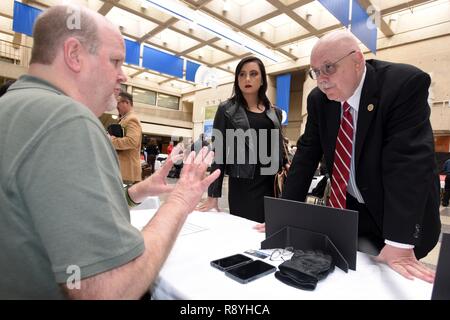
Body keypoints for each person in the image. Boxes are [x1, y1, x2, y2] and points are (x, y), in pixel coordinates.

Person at [0, 4, 219, 299]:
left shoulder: (13, 106)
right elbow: (107, 290)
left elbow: (47, 210)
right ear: (74, 54)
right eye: (115, 61)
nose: (123, 75)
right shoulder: (68, 119)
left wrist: (133, 192)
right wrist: (181, 198)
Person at [282, 30, 441, 283]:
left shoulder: (403, 84)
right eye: (315, 72)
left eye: (329, 68)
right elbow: (306, 155)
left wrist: (399, 242)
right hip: (353, 213)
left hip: (399, 213)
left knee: (395, 281)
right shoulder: (319, 101)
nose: (321, 80)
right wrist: (285, 215)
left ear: (357, 61)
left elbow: (408, 163)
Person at [197, 56, 287, 223]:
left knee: (270, 233)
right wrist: (212, 196)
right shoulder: (227, 110)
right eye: (242, 74)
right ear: (237, 79)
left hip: (272, 184)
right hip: (243, 186)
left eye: (253, 74)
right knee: (246, 232)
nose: (247, 79)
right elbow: (220, 152)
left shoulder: (275, 113)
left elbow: (278, 148)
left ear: (262, 80)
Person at [110, 91, 142, 184]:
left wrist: (111, 141)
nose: (116, 106)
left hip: (127, 171)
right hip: (124, 171)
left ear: (126, 102)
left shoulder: (131, 119)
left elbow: (132, 141)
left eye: (118, 103)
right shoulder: (124, 119)